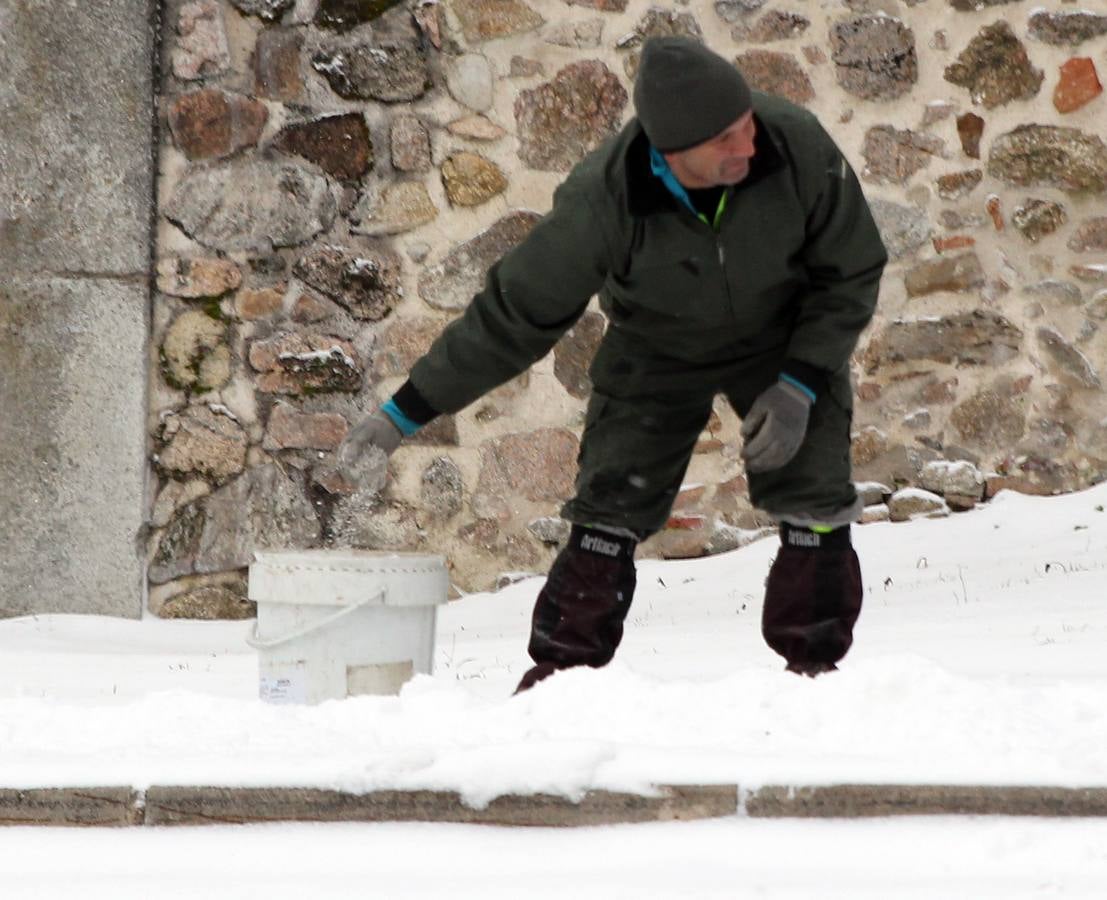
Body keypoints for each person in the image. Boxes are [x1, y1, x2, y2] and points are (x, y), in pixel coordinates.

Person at [339, 36, 888, 692]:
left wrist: (800, 382)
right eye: (724, 142)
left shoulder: (793, 142)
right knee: (605, 510)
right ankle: (561, 679)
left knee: (815, 501)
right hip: (657, 347)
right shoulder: (603, 199)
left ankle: (815, 674)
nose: (747, 147)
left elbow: (850, 267)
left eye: (746, 127)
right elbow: (515, 314)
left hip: (787, 337)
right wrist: (404, 413)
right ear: (672, 152)